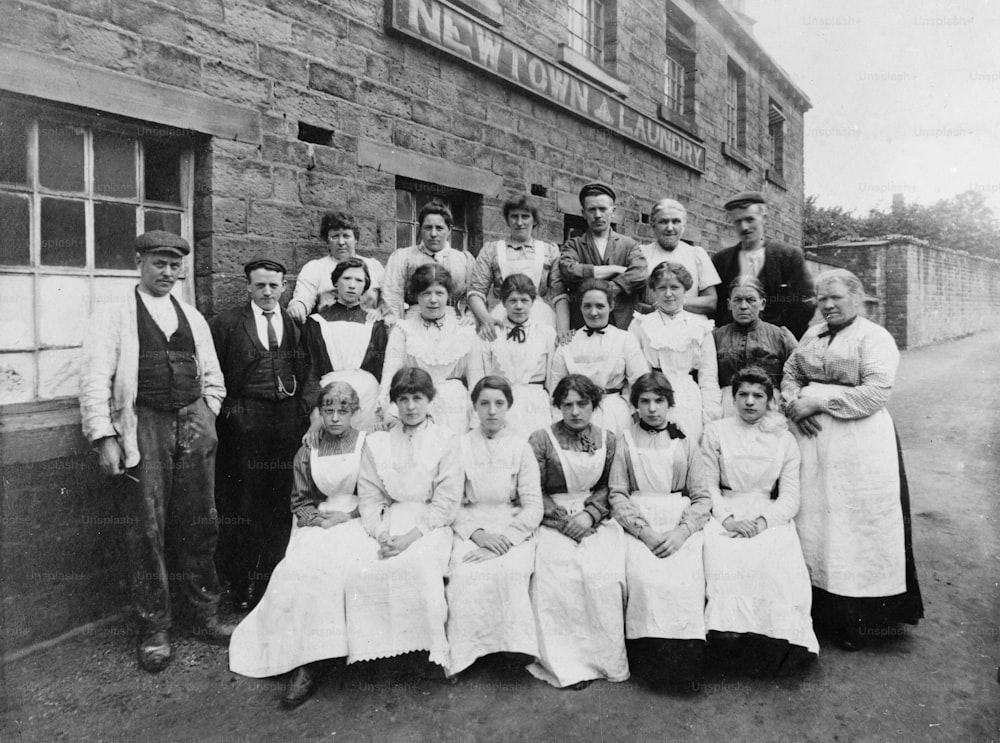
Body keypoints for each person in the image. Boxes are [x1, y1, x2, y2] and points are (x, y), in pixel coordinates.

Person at [78, 230, 232, 673]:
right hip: (143, 425)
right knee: (147, 528)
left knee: (201, 521)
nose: (168, 273)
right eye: (159, 264)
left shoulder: (192, 315)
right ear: (139, 263)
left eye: (174, 266)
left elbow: (213, 373)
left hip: (193, 422)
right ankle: (155, 628)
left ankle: (203, 614)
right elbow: (94, 378)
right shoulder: (115, 314)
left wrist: (207, 414)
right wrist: (104, 436)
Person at [782, 269, 923, 649]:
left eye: (836, 298)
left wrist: (819, 401)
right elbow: (790, 372)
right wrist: (795, 402)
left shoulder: (875, 337)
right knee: (815, 522)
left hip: (858, 445)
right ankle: (818, 611)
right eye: (821, 298)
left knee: (853, 526)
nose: (827, 305)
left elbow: (876, 392)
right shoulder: (812, 334)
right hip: (811, 442)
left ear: (857, 299)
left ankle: (859, 621)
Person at [228, 382, 370, 709]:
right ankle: (305, 660)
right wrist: (321, 521)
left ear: (354, 413)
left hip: (358, 521)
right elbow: (301, 501)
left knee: (349, 568)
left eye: (342, 411)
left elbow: (375, 494)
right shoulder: (308, 449)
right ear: (319, 413)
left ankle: (346, 650)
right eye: (328, 411)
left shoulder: (366, 446)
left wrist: (350, 516)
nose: (335, 418)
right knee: (301, 569)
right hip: (318, 522)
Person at [702, 367, 818, 676]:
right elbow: (707, 487)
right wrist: (728, 520)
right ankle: (729, 640)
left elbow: (791, 498)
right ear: (733, 397)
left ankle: (775, 644)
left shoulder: (784, 439)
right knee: (725, 560)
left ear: (769, 400)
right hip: (726, 512)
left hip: (769, 515)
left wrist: (764, 522)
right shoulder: (716, 431)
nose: (750, 402)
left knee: (776, 564)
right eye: (743, 395)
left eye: (758, 396)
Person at [345, 367, 463, 673]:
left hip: (430, 525)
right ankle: (380, 651)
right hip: (391, 520)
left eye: (418, 398)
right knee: (362, 568)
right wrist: (382, 534)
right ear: (394, 402)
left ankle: (425, 652)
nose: (411, 407)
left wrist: (410, 538)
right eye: (403, 399)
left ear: (429, 400)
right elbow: (369, 498)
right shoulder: (378, 443)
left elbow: (447, 502)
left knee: (419, 565)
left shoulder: (446, 439)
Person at [210, 258, 309, 611]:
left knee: (282, 501)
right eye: (260, 286)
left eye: (274, 286)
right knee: (243, 503)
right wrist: (232, 416)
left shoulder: (296, 325)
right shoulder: (227, 323)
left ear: (284, 287)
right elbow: (214, 373)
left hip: (286, 424)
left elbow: (305, 368)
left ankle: (274, 581)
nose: (267, 292)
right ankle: (241, 585)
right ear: (248, 287)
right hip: (245, 424)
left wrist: (300, 411)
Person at [609, 372, 711, 690]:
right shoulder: (624, 441)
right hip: (639, 524)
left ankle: (685, 663)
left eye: (659, 401)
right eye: (645, 401)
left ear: (670, 404)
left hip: (679, 523)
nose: (652, 409)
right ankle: (649, 661)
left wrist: (682, 532)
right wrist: (645, 533)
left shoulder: (685, 442)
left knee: (686, 575)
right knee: (643, 576)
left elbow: (702, 498)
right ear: (635, 405)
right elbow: (617, 495)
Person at [527, 374, 628, 689]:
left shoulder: (610, 439)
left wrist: (590, 515)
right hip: (551, 519)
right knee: (554, 572)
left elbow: (610, 486)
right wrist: (562, 521)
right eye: (567, 405)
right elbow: (533, 490)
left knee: (603, 573)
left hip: (594, 520)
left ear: (594, 405)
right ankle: (564, 663)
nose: (574, 412)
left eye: (582, 404)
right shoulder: (541, 439)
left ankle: (602, 659)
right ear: (557, 406)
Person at [445, 376, 544, 677]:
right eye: (484, 403)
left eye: (499, 403)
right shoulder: (459, 446)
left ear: (509, 406)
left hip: (512, 526)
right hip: (471, 526)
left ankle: (512, 650)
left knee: (512, 572)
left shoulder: (520, 446)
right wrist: (479, 536)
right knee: (464, 574)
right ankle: (470, 653)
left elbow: (533, 506)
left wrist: (505, 539)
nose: (491, 411)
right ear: (474, 407)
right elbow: (451, 503)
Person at [379, 264, 481, 434]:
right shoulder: (403, 330)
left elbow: (477, 382)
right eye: (426, 293)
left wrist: (476, 421)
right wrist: (388, 410)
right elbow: (389, 375)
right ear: (416, 296)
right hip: (415, 406)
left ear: (448, 295)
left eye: (439, 293)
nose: (433, 300)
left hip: (456, 409)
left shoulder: (464, 331)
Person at [630, 262, 721, 441]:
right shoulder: (641, 325)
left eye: (675, 287)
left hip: (690, 401)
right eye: (662, 288)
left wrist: (710, 417)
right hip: (652, 400)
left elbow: (708, 377)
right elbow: (635, 374)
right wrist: (638, 410)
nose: (668, 294)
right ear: (654, 290)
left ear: (685, 289)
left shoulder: (700, 325)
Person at [301, 257, 389, 435]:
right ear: (335, 282)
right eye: (346, 278)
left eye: (359, 280)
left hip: (368, 400)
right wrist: (315, 410)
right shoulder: (316, 322)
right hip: (330, 399)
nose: (352, 285)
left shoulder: (374, 323)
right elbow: (309, 369)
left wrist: (385, 405)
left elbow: (383, 369)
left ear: (365, 286)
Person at [549, 278, 649, 435]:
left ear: (611, 306)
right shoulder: (568, 343)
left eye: (600, 306)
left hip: (615, 414)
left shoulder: (625, 339)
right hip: (577, 415)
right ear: (580, 307)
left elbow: (640, 383)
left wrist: (638, 418)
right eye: (587, 306)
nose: (593, 312)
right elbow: (556, 391)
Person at [467, 194, 571, 343]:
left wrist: (563, 330)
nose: (520, 222)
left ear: (534, 220)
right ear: (507, 220)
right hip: (502, 318)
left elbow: (559, 295)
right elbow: (476, 292)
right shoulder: (491, 250)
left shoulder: (549, 251)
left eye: (525, 216)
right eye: (514, 216)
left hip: (541, 319)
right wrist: (486, 319)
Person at [712, 191, 815, 339]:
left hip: (778, 343)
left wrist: (782, 336)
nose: (744, 227)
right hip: (733, 345)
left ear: (764, 218)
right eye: (738, 221)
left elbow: (806, 303)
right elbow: (718, 306)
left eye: (749, 219)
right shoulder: (721, 260)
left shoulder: (789, 256)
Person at [476, 274, 557, 438]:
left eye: (524, 300)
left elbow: (553, 378)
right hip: (502, 404)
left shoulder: (545, 332)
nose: (519, 306)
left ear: (532, 302)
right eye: (512, 300)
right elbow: (482, 376)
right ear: (504, 303)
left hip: (536, 405)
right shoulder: (493, 333)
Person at [559, 182, 647, 330]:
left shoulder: (629, 245)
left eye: (603, 209)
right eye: (592, 209)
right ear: (583, 213)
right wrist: (614, 269)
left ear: (613, 211)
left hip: (623, 323)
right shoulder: (574, 245)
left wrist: (608, 289)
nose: (598, 215)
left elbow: (640, 273)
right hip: (584, 323)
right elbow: (568, 270)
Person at [713, 275, 798, 418]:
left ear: (762, 303)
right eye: (737, 300)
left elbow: (798, 372)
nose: (744, 306)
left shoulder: (780, 336)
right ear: (729, 304)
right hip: (727, 407)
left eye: (751, 300)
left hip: (771, 407)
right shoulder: (716, 337)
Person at [382, 200, 476, 321]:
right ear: (420, 228)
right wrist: (398, 329)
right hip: (414, 321)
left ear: (449, 229)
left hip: (453, 322)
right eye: (428, 228)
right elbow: (392, 297)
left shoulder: (464, 260)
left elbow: (474, 297)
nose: (433, 234)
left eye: (439, 228)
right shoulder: (403, 257)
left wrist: (468, 319)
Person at [287, 211, 384, 323]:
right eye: (335, 236)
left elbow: (389, 297)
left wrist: (379, 310)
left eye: (346, 236)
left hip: (369, 327)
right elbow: (304, 297)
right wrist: (298, 307)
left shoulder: (373, 266)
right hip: (330, 328)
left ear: (355, 239)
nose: (341, 242)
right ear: (327, 240)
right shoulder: (315, 267)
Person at [639, 198, 720, 317]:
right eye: (663, 221)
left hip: (689, 327)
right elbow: (632, 300)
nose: (670, 228)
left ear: (684, 224)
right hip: (652, 326)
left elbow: (711, 301)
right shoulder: (642, 254)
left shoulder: (696, 254)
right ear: (653, 224)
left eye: (676, 221)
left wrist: (675, 302)